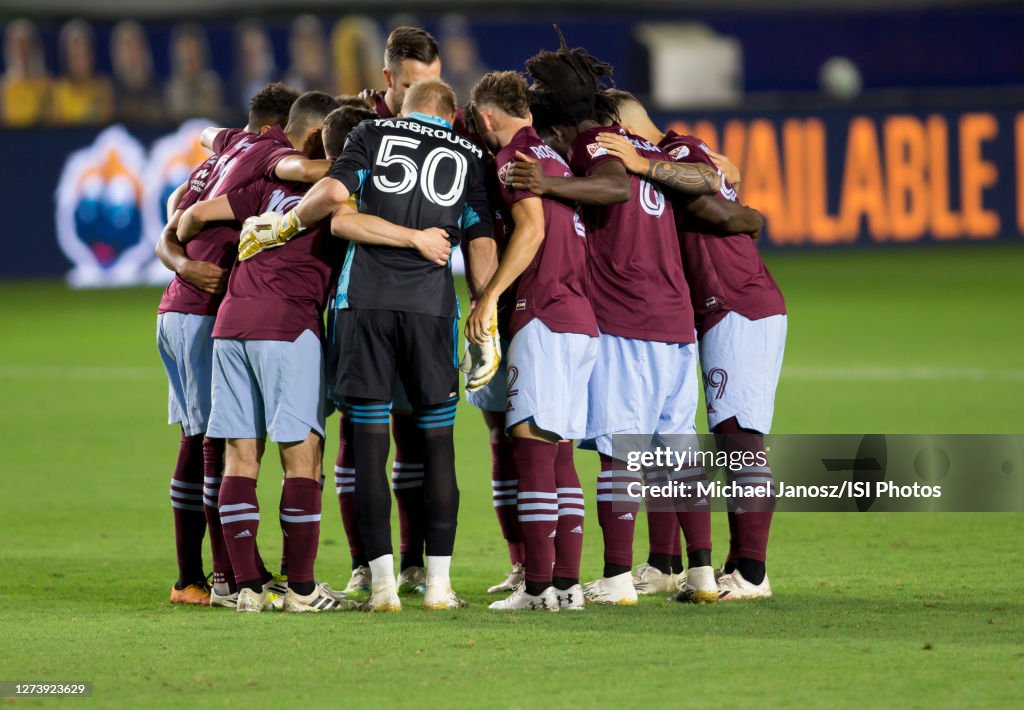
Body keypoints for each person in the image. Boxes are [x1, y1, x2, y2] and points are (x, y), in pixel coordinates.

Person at [175, 104, 451, 613]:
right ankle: (301, 588)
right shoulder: (346, 199)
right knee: (301, 459)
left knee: (240, 456)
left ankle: (246, 590)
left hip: (231, 324)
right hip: (287, 327)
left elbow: (190, 215)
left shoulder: (266, 187)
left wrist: (180, 257)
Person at [239, 79, 496, 612]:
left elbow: (335, 199)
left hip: (365, 304)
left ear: (405, 108)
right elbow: (481, 240)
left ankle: (381, 587)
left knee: (370, 449)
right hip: (432, 310)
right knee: (436, 446)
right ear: (449, 116)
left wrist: (283, 224)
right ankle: (440, 587)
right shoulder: (469, 154)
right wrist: (484, 308)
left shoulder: (373, 131)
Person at [506, 39, 717, 605]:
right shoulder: (646, 147)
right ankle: (699, 572)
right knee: (676, 454)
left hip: (627, 317)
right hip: (676, 321)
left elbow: (613, 188)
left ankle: (620, 578)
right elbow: (711, 180)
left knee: (620, 453)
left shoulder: (589, 145)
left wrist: (548, 184)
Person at [597, 92, 785, 602]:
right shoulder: (667, 160)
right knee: (669, 435)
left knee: (739, 436)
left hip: (739, 302)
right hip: (706, 308)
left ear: (616, 122)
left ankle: (751, 571)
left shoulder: (679, 149)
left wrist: (640, 162)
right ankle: (666, 562)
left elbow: (716, 208)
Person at [154, 87, 329, 607]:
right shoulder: (276, 156)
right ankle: (230, 577)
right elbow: (307, 174)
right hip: (208, 307)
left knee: (203, 440)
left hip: (180, 302)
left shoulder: (227, 146)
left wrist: (183, 263)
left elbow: (176, 213)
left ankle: (201, 577)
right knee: (217, 444)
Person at [468, 70, 598, 611]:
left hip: (541, 315)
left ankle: (539, 586)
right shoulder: (554, 157)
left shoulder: (513, 159)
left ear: (486, 118)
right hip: (580, 320)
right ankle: (566, 586)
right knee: (560, 454)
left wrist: (489, 296)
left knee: (532, 453)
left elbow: (533, 229)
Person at [50, 19, 113, 125]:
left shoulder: (103, 88)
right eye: (74, 51)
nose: (78, 56)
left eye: (82, 49)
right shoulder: (56, 90)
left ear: (91, 54)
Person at [166, 23, 224, 122]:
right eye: (185, 54)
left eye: (193, 53)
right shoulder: (172, 87)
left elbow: (211, 113)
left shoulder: (212, 83)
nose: (189, 58)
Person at [1, 19, 51, 126]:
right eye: (17, 44)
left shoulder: (45, 84)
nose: (22, 50)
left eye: (25, 44)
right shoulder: (3, 87)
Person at [234, 21, 277, 122]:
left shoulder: (282, 87)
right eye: (248, 54)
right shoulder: (231, 91)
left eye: (258, 53)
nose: (253, 61)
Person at [284, 15, 329, 93]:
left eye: (314, 49)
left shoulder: (339, 83)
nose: (310, 57)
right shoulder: (286, 91)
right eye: (304, 51)